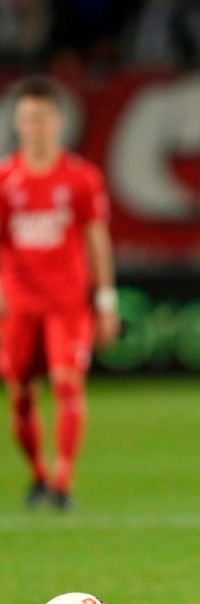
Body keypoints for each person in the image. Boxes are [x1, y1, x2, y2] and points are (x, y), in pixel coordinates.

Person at [0, 75, 120, 511]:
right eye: (28, 118)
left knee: (69, 388)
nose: (35, 127)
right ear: (17, 123)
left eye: (43, 118)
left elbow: (96, 239)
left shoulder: (80, 178)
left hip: (68, 305)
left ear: (58, 122)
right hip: (20, 306)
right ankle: (37, 474)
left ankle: (62, 482)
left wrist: (105, 301)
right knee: (21, 394)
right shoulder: (5, 179)